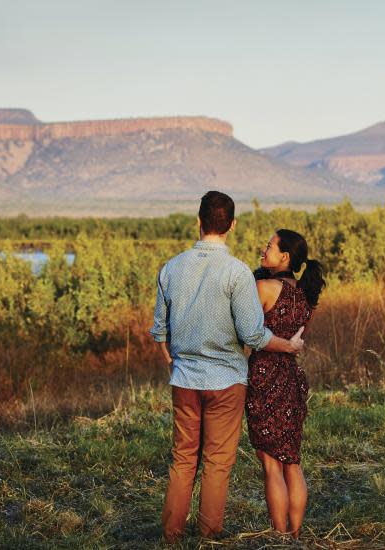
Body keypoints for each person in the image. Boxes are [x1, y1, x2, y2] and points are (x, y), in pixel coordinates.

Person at [150, 191, 305, 543]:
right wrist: (289, 345)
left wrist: (168, 353)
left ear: (198, 221)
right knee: (217, 463)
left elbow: (160, 327)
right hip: (227, 382)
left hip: (185, 379)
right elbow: (253, 334)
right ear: (232, 225)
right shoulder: (237, 273)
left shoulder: (172, 267)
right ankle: (209, 536)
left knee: (183, 459)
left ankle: (171, 537)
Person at [246, 229, 325, 538]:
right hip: (292, 378)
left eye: (269, 246)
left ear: (285, 257)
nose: (263, 249)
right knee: (292, 460)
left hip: (264, 377)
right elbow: (297, 340)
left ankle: (278, 537)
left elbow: (248, 333)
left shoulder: (263, 288)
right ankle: (295, 535)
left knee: (271, 465)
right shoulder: (308, 296)